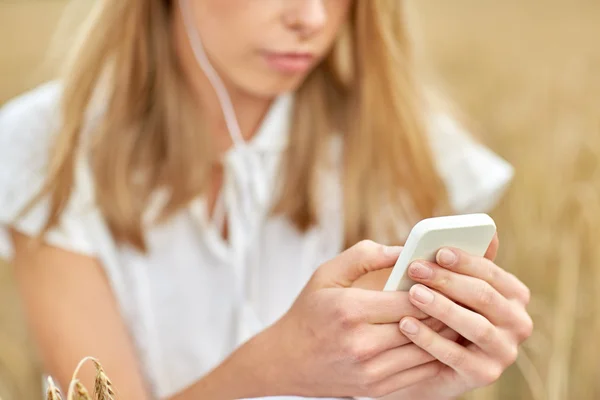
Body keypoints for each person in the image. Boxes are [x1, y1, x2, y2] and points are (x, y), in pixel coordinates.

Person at [0, 0, 532, 399]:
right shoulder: (50, 151)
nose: (311, 17)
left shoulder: (409, 146)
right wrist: (274, 365)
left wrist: (434, 378)